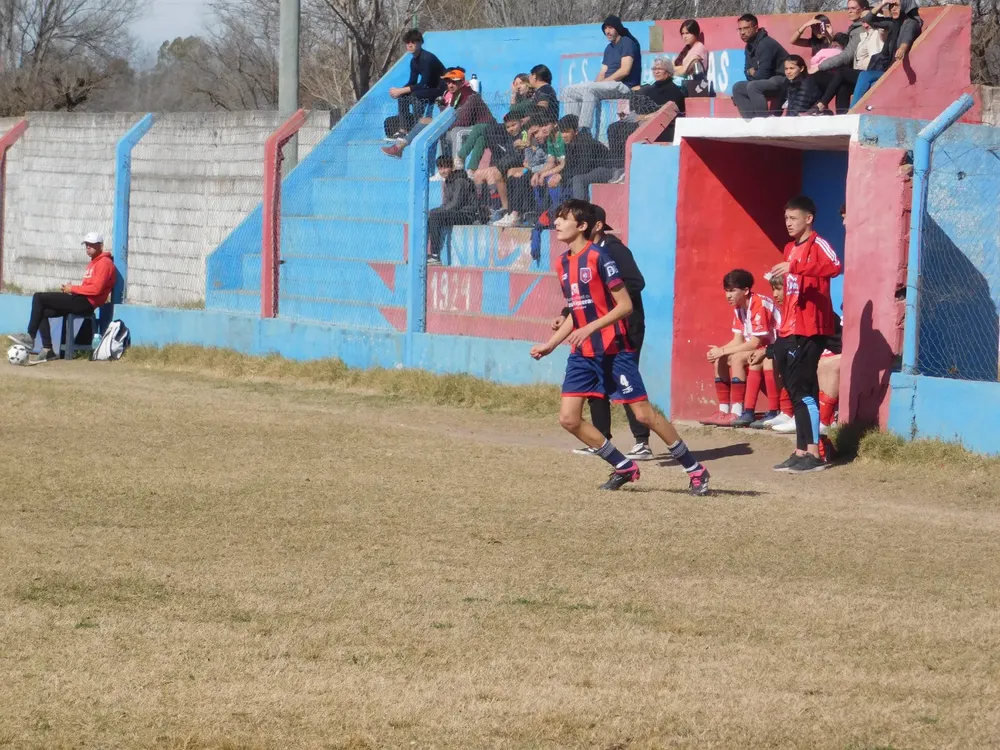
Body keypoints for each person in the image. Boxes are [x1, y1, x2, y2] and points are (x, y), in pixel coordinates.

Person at [530, 199, 710, 494]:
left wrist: (591, 327)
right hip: (583, 354)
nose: (558, 223)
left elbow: (625, 306)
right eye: (557, 218)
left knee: (643, 415)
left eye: (564, 218)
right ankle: (624, 466)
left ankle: (696, 469)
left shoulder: (601, 257)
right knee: (568, 419)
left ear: (583, 226)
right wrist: (551, 344)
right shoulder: (561, 263)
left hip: (615, 350)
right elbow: (577, 311)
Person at [553, 204, 653, 461]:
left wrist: (609, 306)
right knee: (596, 387)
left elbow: (635, 283)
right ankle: (602, 439)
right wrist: (566, 316)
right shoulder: (576, 257)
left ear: (591, 226)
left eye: (566, 219)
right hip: (595, 331)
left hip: (625, 328)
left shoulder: (613, 251)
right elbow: (583, 294)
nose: (558, 224)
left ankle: (642, 441)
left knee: (627, 385)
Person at [769, 196, 842, 473]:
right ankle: (800, 450)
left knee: (804, 389)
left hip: (812, 328)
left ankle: (814, 453)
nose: (788, 223)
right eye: (786, 218)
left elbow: (835, 267)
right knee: (795, 389)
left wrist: (797, 268)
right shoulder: (790, 248)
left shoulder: (818, 244)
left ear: (808, 218)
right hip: (790, 328)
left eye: (793, 218)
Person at [9, 232, 116, 363]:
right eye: (86, 245)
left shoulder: (104, 263)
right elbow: (89, 287)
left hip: (87, 303)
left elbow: (97, 289)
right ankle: (48, 350)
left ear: (100, 246)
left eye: (92, 245)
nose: (88, 248)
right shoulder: (93, 263)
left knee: (39, 297)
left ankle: (30, 337)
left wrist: (73, 289)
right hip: (81, 299)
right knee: (42, 310)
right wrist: (73, 290)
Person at [700, 269, 777, 427]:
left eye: (733, 291)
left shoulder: (759, 303)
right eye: (726, 291)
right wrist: (719, 351)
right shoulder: (739, 307)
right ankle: (723, 410)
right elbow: (738, 340)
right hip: (757, 349)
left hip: (773, 348)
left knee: (735, 358)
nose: (728, 295)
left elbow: (755, 343)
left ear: (746, 290)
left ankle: (737, 412)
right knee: (719, 359)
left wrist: (723, 350)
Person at [382, 69, 495, 159]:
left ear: (462, 82)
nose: (450, 85)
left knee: (452, 131)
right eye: (448, 82)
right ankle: (400, 147)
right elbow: (449, 117)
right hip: (466, 127)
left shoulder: (470, 96)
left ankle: (456, 168)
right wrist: (441, 108)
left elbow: (463, 122)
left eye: (454, 82)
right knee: (427, 122)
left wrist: (438, 124)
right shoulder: (456, 95)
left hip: (483, 129)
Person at [561, 16, 642, 133]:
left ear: (617, 28)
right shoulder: (608, 48)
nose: (607, 31)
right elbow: (602, 72)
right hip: (609, 85)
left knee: (590, 90)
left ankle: (584, 131)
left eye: (610, 28)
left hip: (624, 86)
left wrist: (601, 83)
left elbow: (625, 70)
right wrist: (597, 84)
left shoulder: (627, 43)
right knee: (569, 91)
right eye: (605, 28)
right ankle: (570, 129)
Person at [814, 0, 881, 114]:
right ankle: (841, 116)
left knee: (838, 73)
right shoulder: (862, 34)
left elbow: (847, 55)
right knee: (842, 85)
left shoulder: (871, 33)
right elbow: (847, 50)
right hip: (856, 72)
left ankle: (820, 105)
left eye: (853, 8)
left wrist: (820, 66)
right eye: (848, 8)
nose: (849, 11)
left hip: (867, 73)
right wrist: (830, 37)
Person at [851, 0, 922, 107]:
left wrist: (902, 48)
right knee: (870, 82)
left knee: (865, 75)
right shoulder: (893, 23)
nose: (893, 9)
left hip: (899, 73)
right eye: (891, 6)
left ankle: (852, 111)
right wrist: (883, 3)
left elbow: (907, 37)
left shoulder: (911, 23)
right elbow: (867, 19)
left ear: (905, 6)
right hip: (888, 70)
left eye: (896, 6)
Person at [747, 273, 795, 429]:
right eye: (773, 289)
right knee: (770, 356)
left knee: (775, 358)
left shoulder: (798, 309)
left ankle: (787, 412)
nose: (774, 294)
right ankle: (784, 412)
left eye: (779, 289)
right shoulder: (785, 310)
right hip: (785, 349)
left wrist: (767, 351)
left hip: (816, 352)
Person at [386, 30, 445, 137]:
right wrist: (399, 92)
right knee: (403, 96)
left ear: (420, 43)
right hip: (428, 88)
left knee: (416, 95)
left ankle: (419, 125)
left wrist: (401, 90)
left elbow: (423, 84)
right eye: (407, 42)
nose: (410, 45)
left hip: (440, 89)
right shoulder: (413, 61)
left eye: (413, 42)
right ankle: (403, 129)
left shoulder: (427, 58)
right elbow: (412, 82)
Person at [731, 14, 790, 119]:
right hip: (766, 81)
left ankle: (763, 122)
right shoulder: (749, 46)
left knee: (754, 86)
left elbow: (763, 75)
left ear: (756, 28)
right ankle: (750, 123)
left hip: (783, 80)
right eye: (740, 29)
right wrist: (751, 72)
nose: (742, 32)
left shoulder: (765, 44)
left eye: (746, 28)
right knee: (737, 87)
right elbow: (747, 72)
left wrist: (753, 72)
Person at [426, 156, 480, 264]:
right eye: (440, 168)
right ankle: (422, 253)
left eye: (446, 167)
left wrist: (436, 212)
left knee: (435, 217)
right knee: (428, 216)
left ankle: (435, 256)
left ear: (452, 167)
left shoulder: (460, 181)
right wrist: (434, 211)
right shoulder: (448, 182)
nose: (443, 171)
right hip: (455, 213)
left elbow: (455, 204)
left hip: (466, 215)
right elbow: (446, 204)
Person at [559, 115, 615, 200]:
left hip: (607, 170)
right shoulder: (568, 144)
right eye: (562, 132)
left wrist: (563, 177)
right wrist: (560, 176)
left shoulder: (585, 142)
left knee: (578, 179)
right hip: (592, 171)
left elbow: (583, 168)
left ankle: (579, 210)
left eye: (567, 132)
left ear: (576, 131)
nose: (564, 135)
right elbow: (568, 166)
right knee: (560, 179)